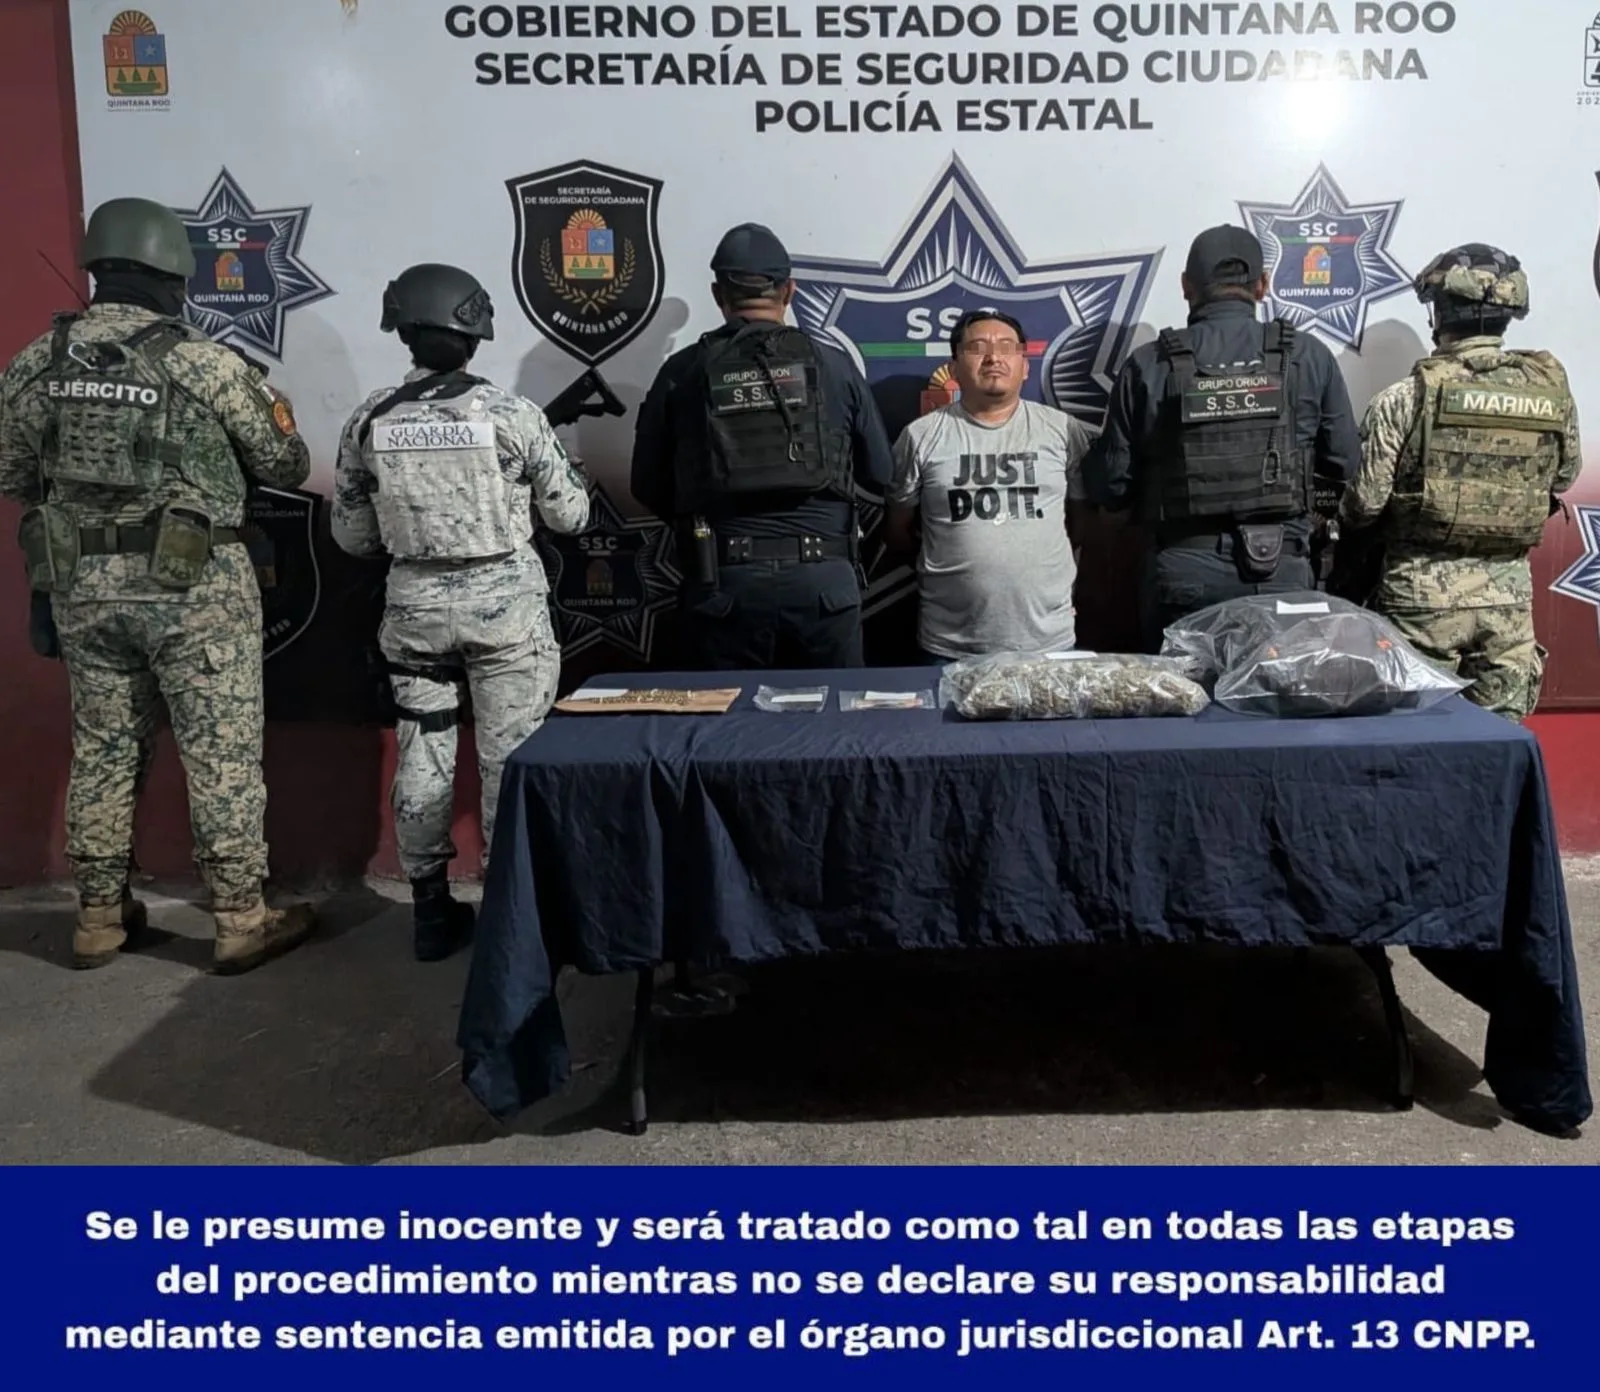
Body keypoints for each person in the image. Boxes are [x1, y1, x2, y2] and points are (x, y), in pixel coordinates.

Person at [0, 196, 316, 972]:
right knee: (221, 754)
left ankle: (98, 916)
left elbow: (11, 473)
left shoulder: (37, 362)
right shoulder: (201, 362)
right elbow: (286, 464)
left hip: (83, 587)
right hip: (193, 587)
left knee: (102, 747)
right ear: (175, 274)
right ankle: (239, 917)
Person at [331, 263, 589, 961]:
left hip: (414, 614)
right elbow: (570, 516)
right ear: (475, 334)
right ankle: (511, 919)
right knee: (511, 758)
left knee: (423, 752)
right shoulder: (512, 415)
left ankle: (430, 913)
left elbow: (352, 536)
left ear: (404, 332)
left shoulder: (370, 419)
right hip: (505, 618)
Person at [630, 223, 894, 669]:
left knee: (726, 714)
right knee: (832, 712)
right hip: (823, 584)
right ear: (789, 291)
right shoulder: (833, 365)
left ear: (719, 294)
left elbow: (646, 484)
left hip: (724, 583)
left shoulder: (683, 371)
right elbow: (880, 474)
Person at [1084, 225, 1360, 650]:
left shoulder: (1148, 364)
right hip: (1282, 571)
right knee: (1280, 689)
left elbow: (1112, 487)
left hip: (1183, 575)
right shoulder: (1308, 354)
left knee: (1185, 692)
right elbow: (1344, 463)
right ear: (1262, 284)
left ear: (1186, 286)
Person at [1337, 244, 1580, 722]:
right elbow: (1566, 477)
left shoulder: (1404, 398)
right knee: (1499, 744)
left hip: (1420, 601)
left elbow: (1365, 504)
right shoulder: (1551, 393)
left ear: (1440, 313)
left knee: (1413, 742)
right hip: (1508, 603)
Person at [884, 309, 1092, 661]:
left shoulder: (1063, 431)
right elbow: (898, 531)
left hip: (1048, 641)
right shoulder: (920, 436)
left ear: (1025, 366)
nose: (994, 357)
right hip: (949, 644)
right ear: (954, 367)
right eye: (978, 347)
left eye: (1007, 347)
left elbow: (1083, 523)